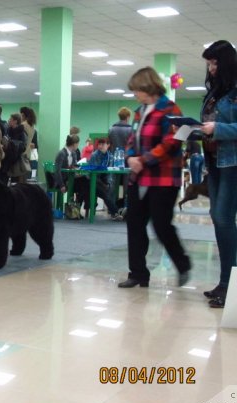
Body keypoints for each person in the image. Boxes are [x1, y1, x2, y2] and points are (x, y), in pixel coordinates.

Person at [118, 66, 191, 289]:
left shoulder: (171, 109)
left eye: (136, 90)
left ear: (147, 87)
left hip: (163, 179)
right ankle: (138, 273)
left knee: (161, 225)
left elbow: (173, 142)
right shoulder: (140, 111)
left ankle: (182, 263)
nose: (134, 95)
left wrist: (144, 160)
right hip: (138, 178)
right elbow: (132, 138)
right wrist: (130, 157)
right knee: (135, 225)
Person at [198, 40, 237, 308]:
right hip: (214, 161)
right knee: (218, 218)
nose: (211, 69)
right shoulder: (215, 92)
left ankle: (231, 285)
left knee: (223, 218)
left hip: (232, 162)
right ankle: (226, 282)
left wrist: (217, 129)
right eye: (209, 64)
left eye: (214, 63)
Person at [53, 134, 88, 216]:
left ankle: (75, 208)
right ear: (74, 144)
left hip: (71, 179)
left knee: (86, 183)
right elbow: (57, 171)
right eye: (78, 144)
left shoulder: (74, 153)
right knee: (84, 185)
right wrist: (62, 185)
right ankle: (75, 208)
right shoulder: (61, 154)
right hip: (62, 181)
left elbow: (75, 167)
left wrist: (78, 170)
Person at [88, 138, 122, 220]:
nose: (100, 146)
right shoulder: (94, 155)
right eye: (99, 144)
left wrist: (108, 184)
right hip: (93, 181)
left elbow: (110, 173)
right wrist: (103, 185)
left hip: (104, 180)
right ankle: (115, 212)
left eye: (103, 144)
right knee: (105, 192)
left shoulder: (110, 156)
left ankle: (115, 212)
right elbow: (93, 173)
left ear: (108, 145)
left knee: (110, 188)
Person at [4, 112, 29, 183]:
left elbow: (23, 147)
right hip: (7, 159)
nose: (8, 120)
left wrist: (13, 145)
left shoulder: (22, 133)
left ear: (15, 121)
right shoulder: (8, 130)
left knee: (16, 183)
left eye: (10, 119)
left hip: (17, 160)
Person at [20, 107, 38, 173]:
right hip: (28, 153)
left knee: (20, 176)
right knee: (26, 175)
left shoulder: (23, 125)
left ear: (23, 115)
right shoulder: (32, 126)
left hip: (22, 153)